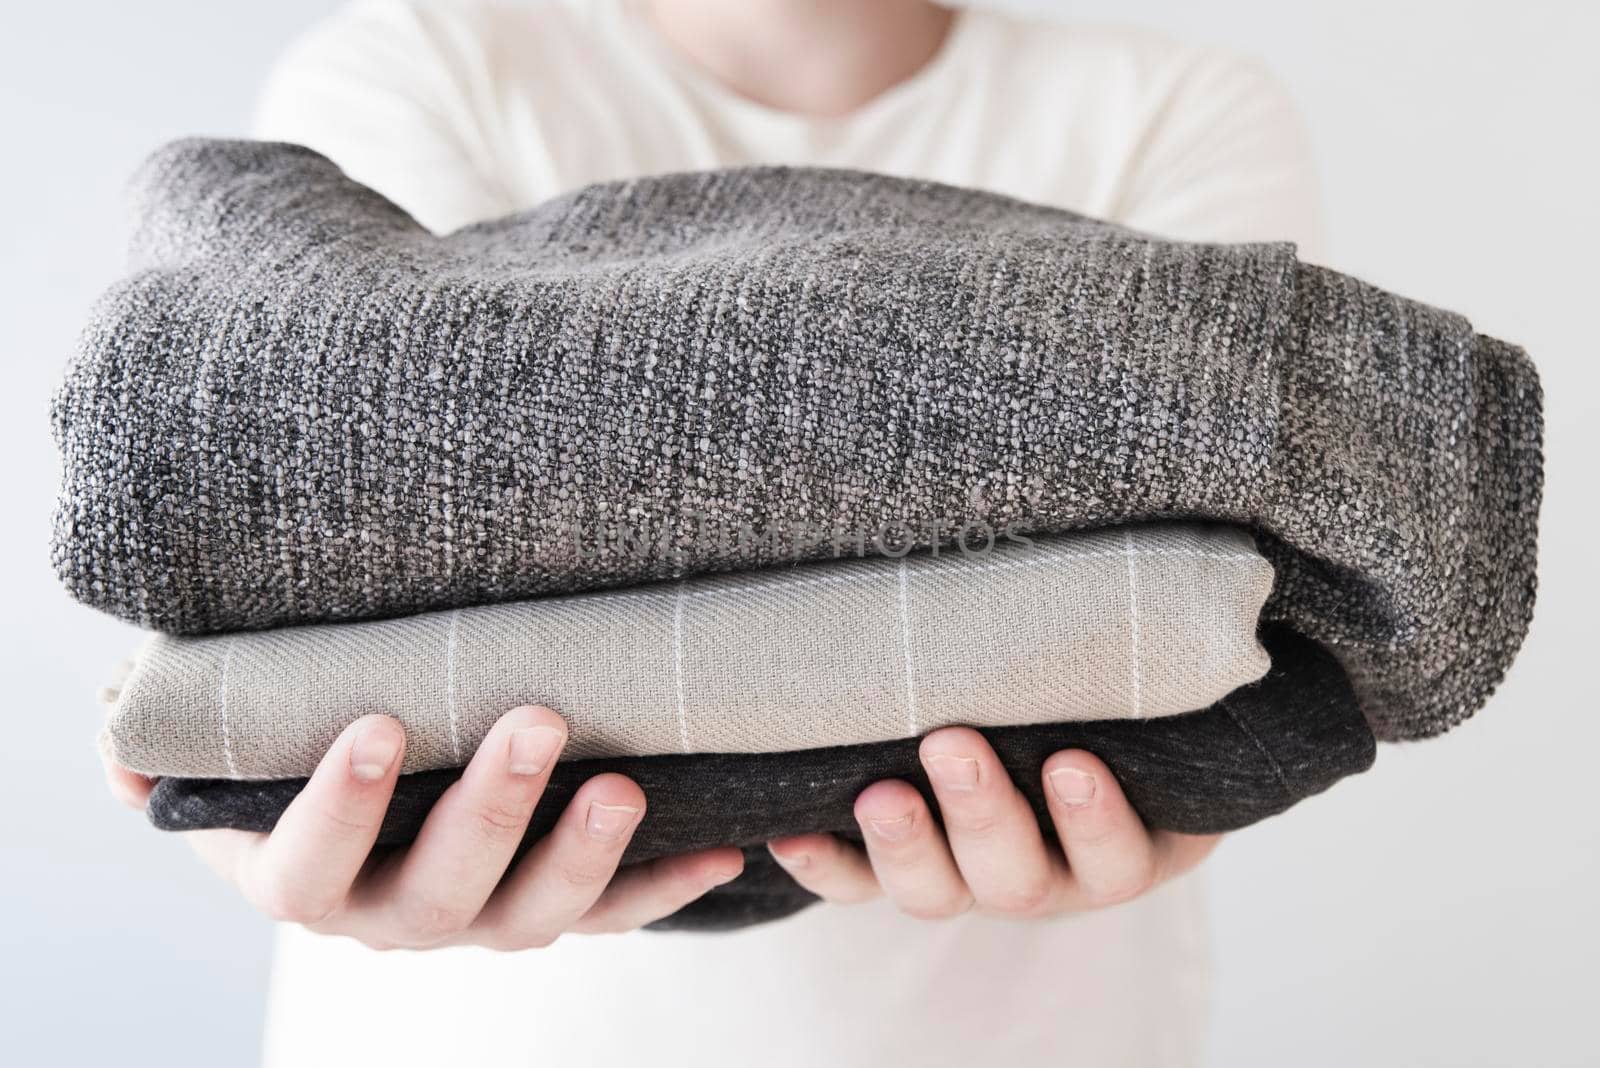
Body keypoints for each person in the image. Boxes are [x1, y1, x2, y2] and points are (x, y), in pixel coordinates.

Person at [104, 0, 1323, 1063]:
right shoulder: (421, 65)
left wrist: (1180, 818)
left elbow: (1248, 593)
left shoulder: (1167, 107)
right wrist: (267, 823)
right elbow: (300, 506)